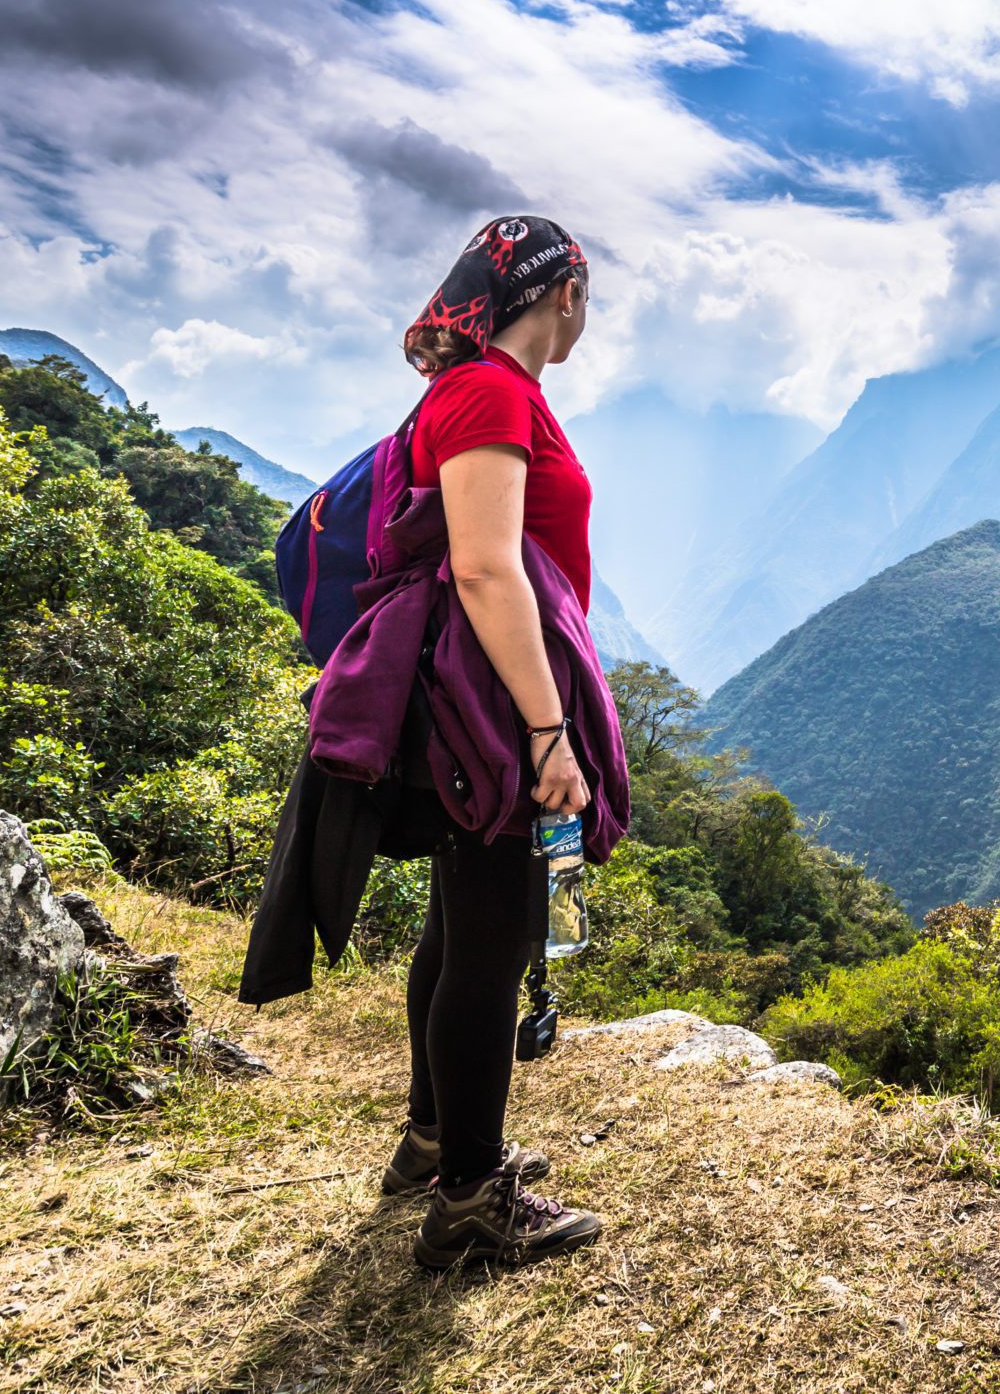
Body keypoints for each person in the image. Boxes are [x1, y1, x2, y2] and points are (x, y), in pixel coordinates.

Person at [386, 214, 608, 1270]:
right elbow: (483, 569)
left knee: (460, 922)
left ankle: (435, 1141)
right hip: (496, 708)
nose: (588, 315)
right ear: (562, 291)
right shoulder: (487, 394)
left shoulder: (487, 392)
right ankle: (471, 1196)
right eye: (587, 295)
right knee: (495, 939)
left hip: (488, 699)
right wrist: (547, 731)